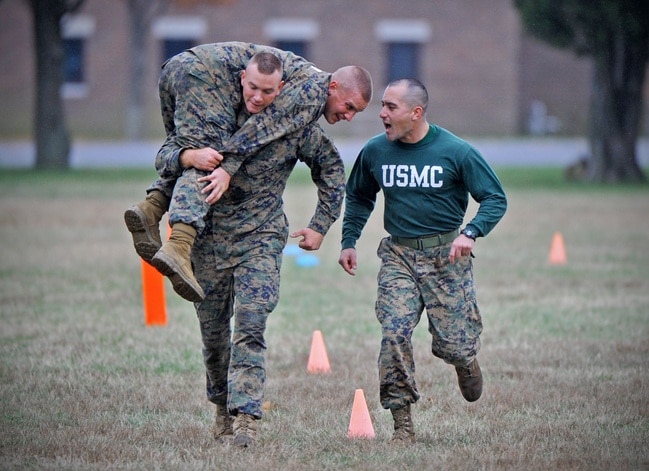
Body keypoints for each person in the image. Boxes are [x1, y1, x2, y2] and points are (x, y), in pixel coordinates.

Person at [124, 41, 372, 302]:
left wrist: (320, 225)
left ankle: (152, 206)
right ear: (333, 88)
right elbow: (261, 128)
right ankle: (179, 245)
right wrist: (228, 169)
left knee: (189, 148)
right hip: (202, 76)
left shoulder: (305, 76)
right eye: (350, 106)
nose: (350, 116)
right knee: (210, 157)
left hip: (176, 68)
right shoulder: (312, 94)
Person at [338, 78, 507, 443]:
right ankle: (402, 423)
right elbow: (359, 197)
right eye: (382, 105)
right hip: (398, 255)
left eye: (391, 107)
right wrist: (349, 240)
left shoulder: (456, 151)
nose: (381, 113)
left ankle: (464, 361)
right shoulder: (375, 152)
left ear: (416, 113)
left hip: (446, 258)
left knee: (454, 344)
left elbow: (494, 198)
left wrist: (471, 232)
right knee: (394, 331)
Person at [193, 119, 346, 447]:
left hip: (261, 237)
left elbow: (331, 167)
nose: (259, 96)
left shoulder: (291, 123)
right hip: (209, 237)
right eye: (254, 88)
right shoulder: (216, 110)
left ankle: (246, 417)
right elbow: (168, 156)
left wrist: (320, 224)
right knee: (214, 334)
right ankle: (222, 406)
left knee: (251, 323)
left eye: (269, 90)